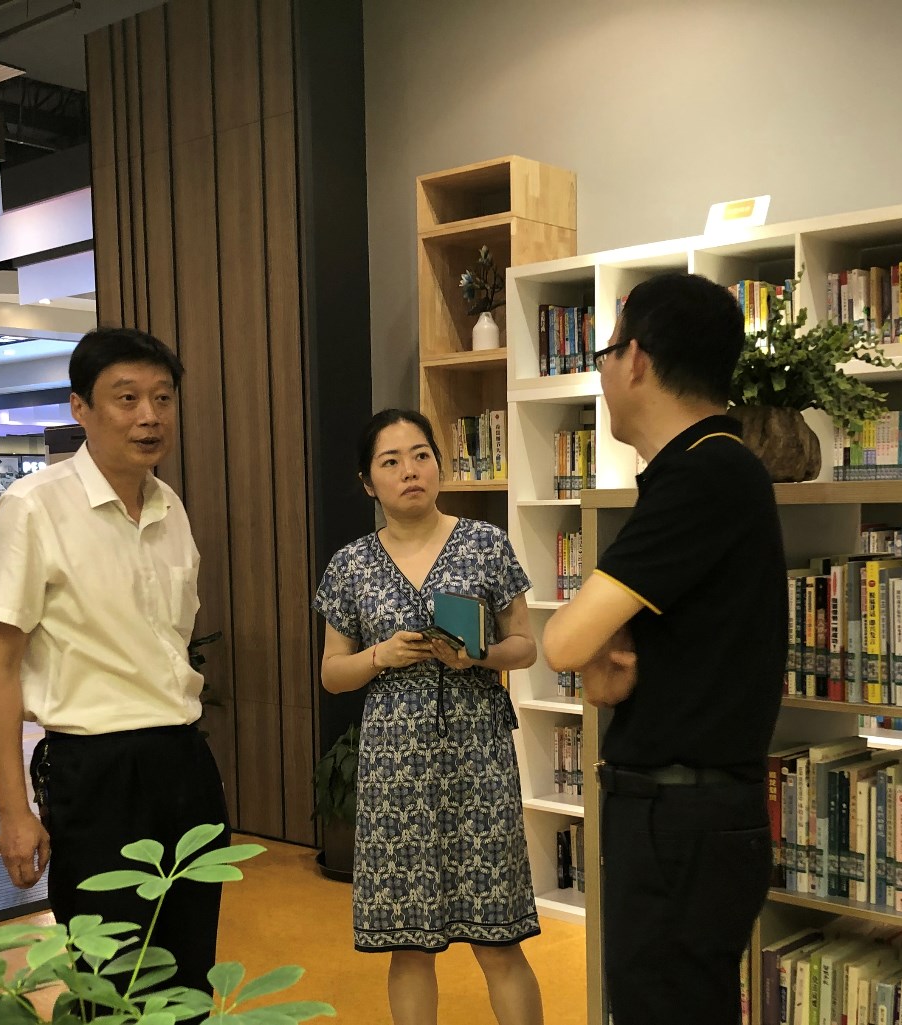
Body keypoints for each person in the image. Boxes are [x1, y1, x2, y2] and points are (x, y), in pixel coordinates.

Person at [542, 273, 787, 1024]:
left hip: (682, 818)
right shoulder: (706, 468)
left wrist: (599, 644)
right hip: (681, 812)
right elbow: (614, 654)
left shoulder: (705, 473)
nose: (603, 372)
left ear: (637, 359)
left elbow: (563, 640)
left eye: (606, 352)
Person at [0, 327, 229, 994]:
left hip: (184, 761)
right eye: (126, 398)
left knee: (188, 970)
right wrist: (13, 811)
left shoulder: (171, 507)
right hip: (96, 772)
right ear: (80, 407)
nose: (149, 415)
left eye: (162, 398)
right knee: (111, 977)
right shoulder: (33, 507)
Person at [312, 409, 544, 1025]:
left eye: (421, 455)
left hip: (479, 759)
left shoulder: (486, 544)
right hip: (394, 770)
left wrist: (478, 657)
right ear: (368, 483)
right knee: (408, 944)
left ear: (439, 465)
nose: (410, 471)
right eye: (390, 462)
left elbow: (526, 646)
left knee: (499, 937)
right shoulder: (351, 565)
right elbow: (332, 673)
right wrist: (379, 656)